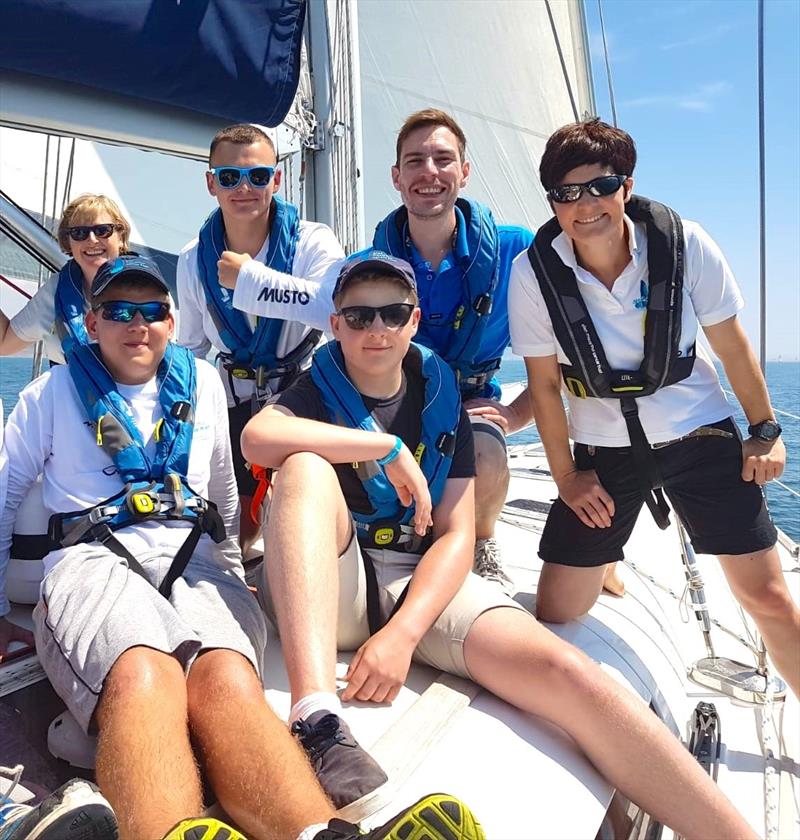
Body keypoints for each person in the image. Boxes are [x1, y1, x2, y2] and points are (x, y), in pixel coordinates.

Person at [241, 252, 759, 838]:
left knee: (570, 674)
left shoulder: (439, 397)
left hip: (415, 576)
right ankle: (316, 716)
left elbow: (458, 531)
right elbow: (259, 438)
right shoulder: (315, 389)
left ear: (414, 322)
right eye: (358, 317)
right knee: (303, 467)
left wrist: (403, 635)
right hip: (330, 584)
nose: (377, 329)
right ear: (334, 325)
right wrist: (381, 448)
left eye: (393, 314)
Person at [0, 255, 482, 840]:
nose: (137, 324)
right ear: (93, 323)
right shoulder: (47, 395)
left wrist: (233, 572)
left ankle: (324, 835)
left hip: (198, 561)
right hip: (93, 557)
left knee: (228, 681)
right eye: (118, 311)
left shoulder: (201, 383)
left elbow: (224, 495)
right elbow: (4, 497)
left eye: (152, 311)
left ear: (171, 323)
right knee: (145, 676)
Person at [508, 118, 799, 698]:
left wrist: (765, 430)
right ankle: (606, 557)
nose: (585, 205)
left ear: (627, 186)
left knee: (765, 595)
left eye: (600, 186)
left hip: (697, 435)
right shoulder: (533, 273)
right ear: (553, 204)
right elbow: (543, 387)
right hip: (605, 452)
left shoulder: (685, 244)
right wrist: (566, 476)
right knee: (557, 609)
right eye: (567, 194)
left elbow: (732, 345)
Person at [177, 123, 345, 556]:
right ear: (211, 183)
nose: (244, 188)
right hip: (229, 398)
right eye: (230, 177)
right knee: (228, 530)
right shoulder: (192, 258)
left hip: (302, 390)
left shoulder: (313, 240)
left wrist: (249, 279)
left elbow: (336, 310)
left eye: (257, 175)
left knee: (296, 509)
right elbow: (192, 348)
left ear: (277, 178)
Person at [0, 193, 131, 363]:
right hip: (69, 388)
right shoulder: (55, 292)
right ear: (69, 242)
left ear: (120, 237)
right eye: (79, 233)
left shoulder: (148, 287)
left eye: (102, 231)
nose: (92, 240)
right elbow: (4, 342)